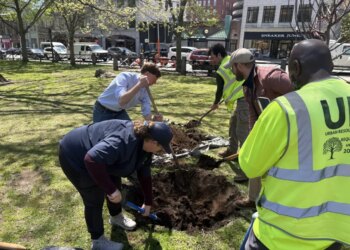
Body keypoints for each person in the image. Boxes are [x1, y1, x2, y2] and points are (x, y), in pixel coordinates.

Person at [238, 39, 350, 249]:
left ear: (295, 67)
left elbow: (249, 165)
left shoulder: (286, 109)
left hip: (282, 236)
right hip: (335, 234)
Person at [58, 120, 173, 250]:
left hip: (101, 157)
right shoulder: (123, 142)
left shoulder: (145, 144)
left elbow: (144, 172)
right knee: (94, 197)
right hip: (75, 154)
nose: (161, 151)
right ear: (152, 141)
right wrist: (110, 190)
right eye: (161, 147)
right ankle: (98, 241)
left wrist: (148, 201)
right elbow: (91, 159)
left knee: (115, 182)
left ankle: (116, 217)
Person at [224, 48, 294, 208]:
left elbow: (300, 92)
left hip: (288, 131)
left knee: (278, 170)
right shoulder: (247, 87)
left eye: (232, 68)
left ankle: (278, 202)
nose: (232, 72)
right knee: (256, 158)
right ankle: (253, 198)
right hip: (268, 131)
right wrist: (252, 141)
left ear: (239, 66)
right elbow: (253, 115)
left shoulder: (271, 77)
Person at [208, 43, 250, 182]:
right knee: (233, 124)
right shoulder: (230, 61)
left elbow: (220, 90)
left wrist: (215, 103)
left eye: (213, 57)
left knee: (242, 133)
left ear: (219, 55)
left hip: (245, 99)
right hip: (240, 99)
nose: (211, 60)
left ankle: (246, 170)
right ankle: (232, 150)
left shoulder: (221, 69)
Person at [93, 62, 162, 123]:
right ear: (147, 74)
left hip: (119, 112)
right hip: (102, 110)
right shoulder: (124, 77)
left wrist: (154, 122)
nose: (155, 82)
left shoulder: (145, 91)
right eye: (155, 78)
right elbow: (122, 101)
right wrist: (139, 85)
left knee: (130, 133)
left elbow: (146, 113)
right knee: (100, 135)